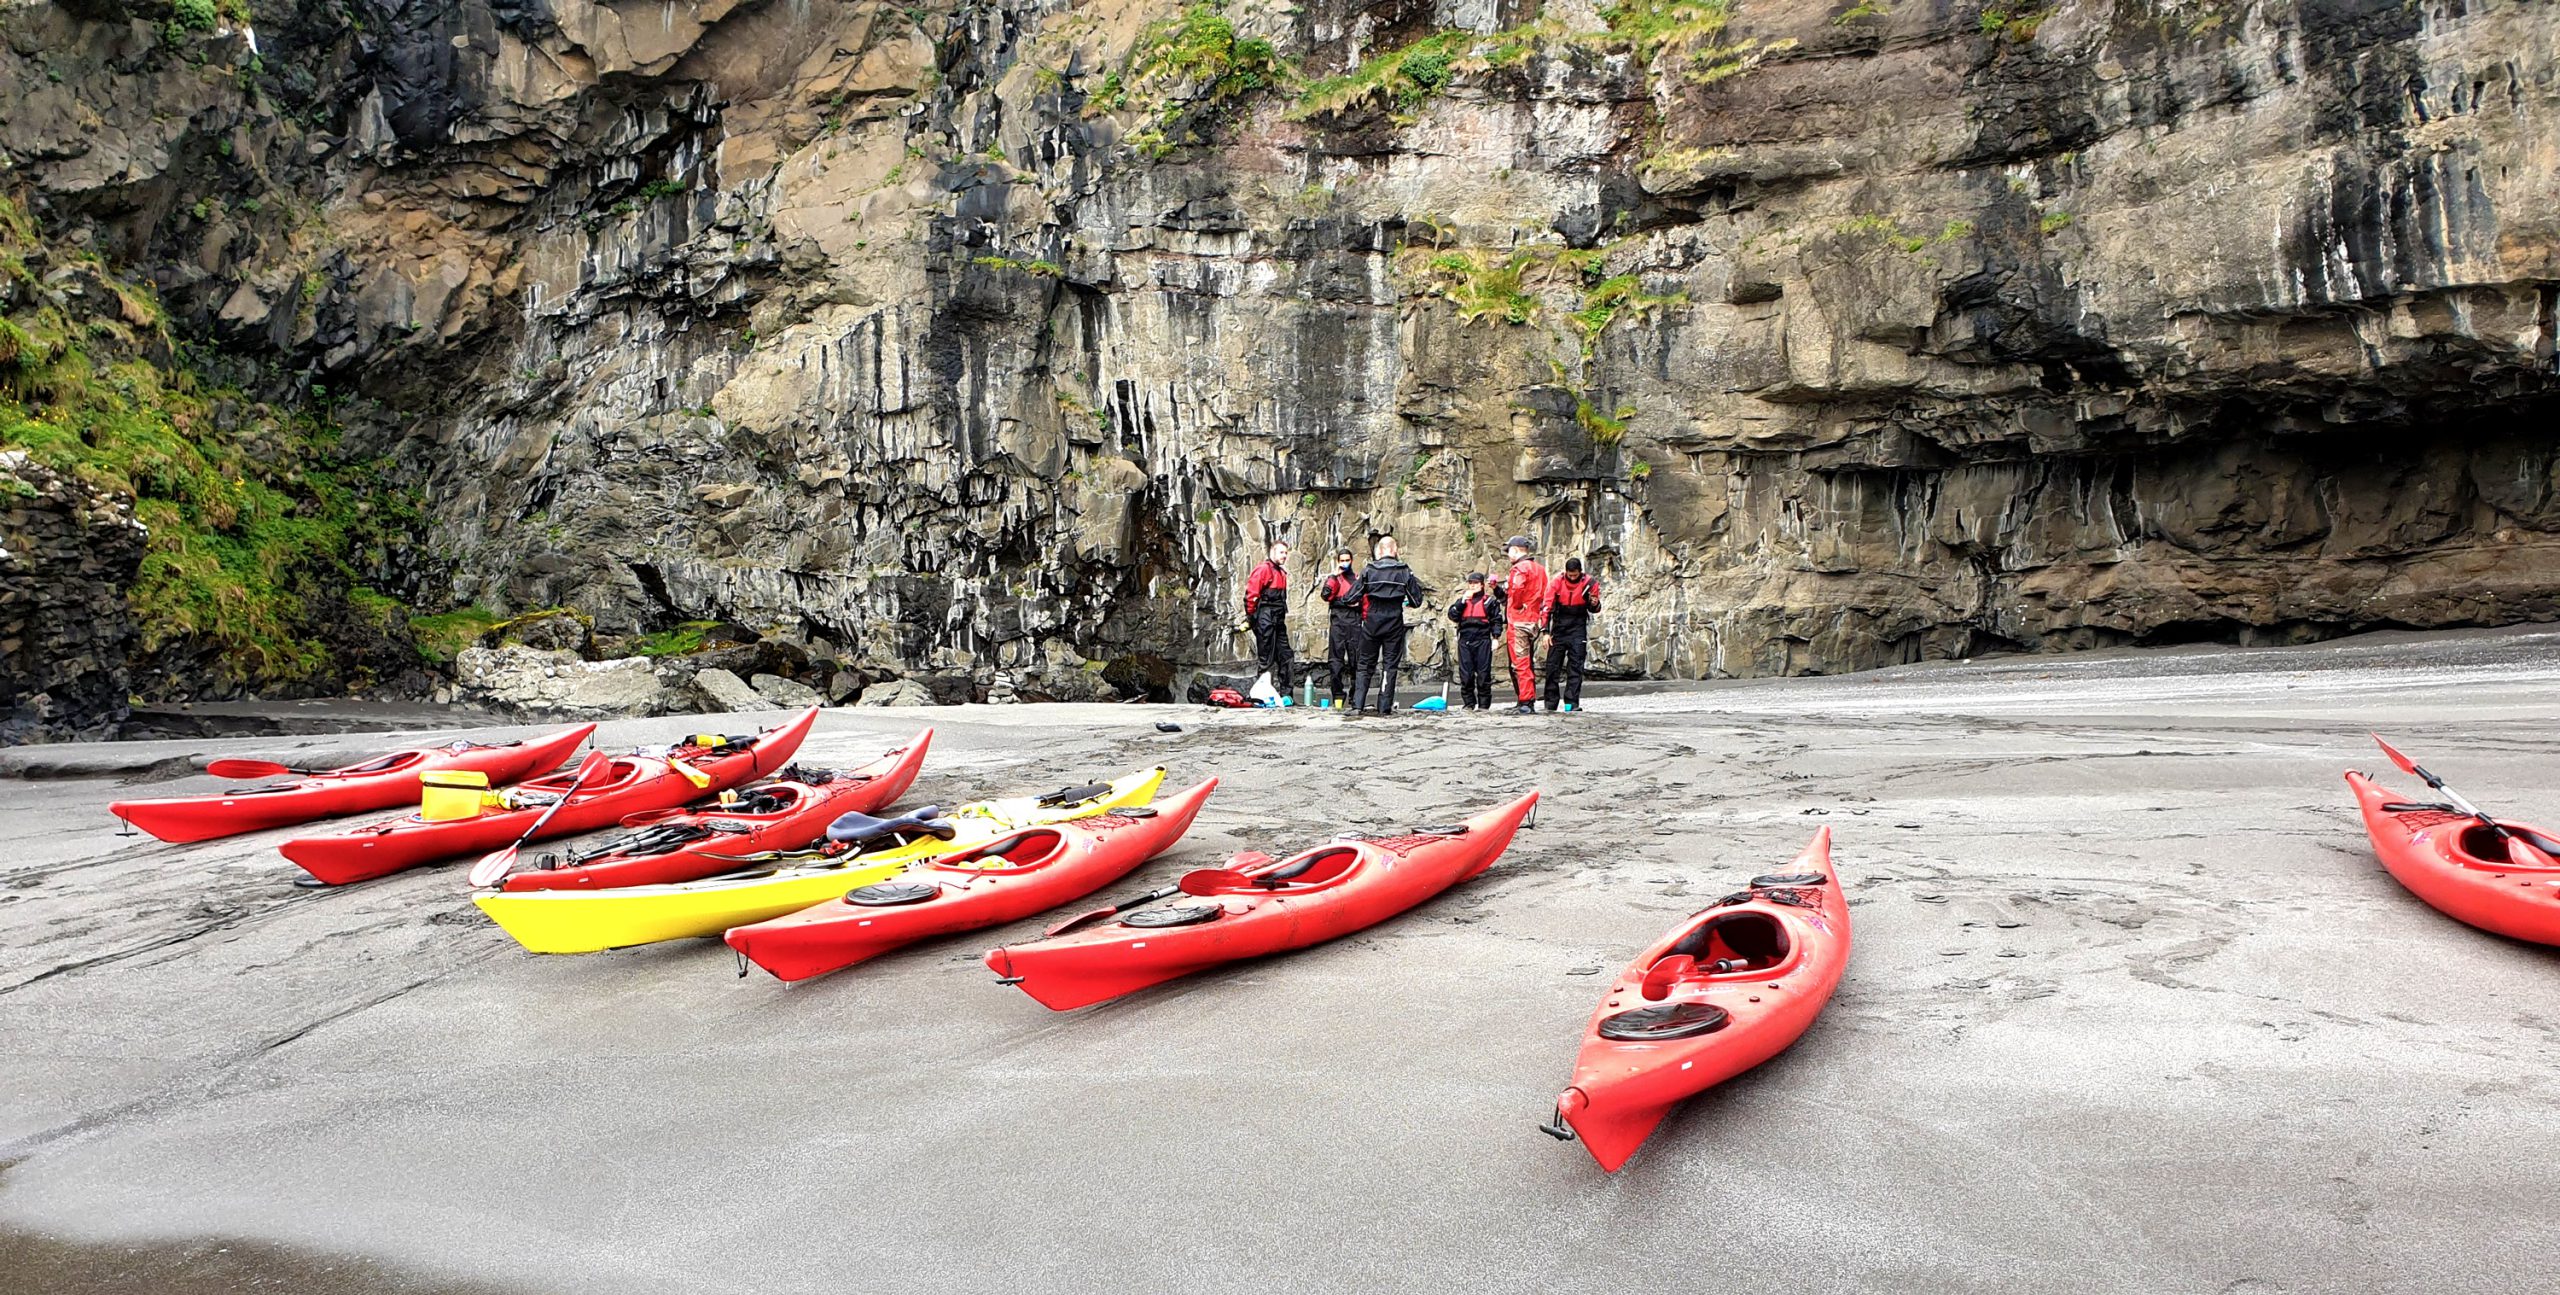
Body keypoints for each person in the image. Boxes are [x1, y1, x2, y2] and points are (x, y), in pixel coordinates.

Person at [1351, 536, 1425, 716]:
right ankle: (1384, 707)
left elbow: (1350, 596)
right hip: (1393, 620)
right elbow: (1416, 601)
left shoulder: (1369, 569)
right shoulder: (1404, 571)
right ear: (1394, 550)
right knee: (1390, 665)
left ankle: (1357, 705)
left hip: (1372, 620)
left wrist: (1356, 601)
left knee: (1365, 664)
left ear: (1380, 550)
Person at [1542, 557, 1599, 714]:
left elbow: (1595, 608)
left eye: (1575, 575)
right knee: (1552, 667)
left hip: (1578, 626)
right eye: (1570, 575)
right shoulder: (1556, 583)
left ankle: (1571, 703)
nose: (1572, 577)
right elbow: (1547, 608)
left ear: (1580, 573)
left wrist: (1593, 602)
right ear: (1565, 572)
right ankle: (1550, 704)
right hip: (1559, 627)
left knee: (1576, 666)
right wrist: (1545, 632)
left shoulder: (1590, 583)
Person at [1501, 535, 1548, 716]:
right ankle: (1524, 699)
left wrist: (1518, 604)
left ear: (1515, 550)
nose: (1508, 555)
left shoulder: (1519, 569)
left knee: (1520, 663)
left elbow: (1518, 588)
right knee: (1526, 661)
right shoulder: (1540, 569)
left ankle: (1526, 701)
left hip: (1519, 620)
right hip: (1534, 620)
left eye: (1509, 551)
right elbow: (1545, 594)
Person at [1242, 539, 1293, 696]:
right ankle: (1262, 695)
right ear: (1273, 552)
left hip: (1278, 618)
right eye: (1281, 552)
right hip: (1265, 617)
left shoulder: (1281, 572)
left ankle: (1287, 696)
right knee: (1266, 657)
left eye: (1286, 553)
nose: (1284, 556)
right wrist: (1251, 618)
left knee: (1286, 656)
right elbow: (1251, 594)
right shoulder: (1263, 569)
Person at [1315, 547, 1363, 707]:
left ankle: (1355, 698)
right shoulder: (1334, 579)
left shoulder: (1357, 579)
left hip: (1355, 624)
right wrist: (1333, 576)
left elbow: (1363, 602)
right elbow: (1326, 596)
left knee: (1356, 663)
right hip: (1338, 624)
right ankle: (1337, 696)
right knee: (1335, 663)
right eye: (1341, 560)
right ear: (1337, 562)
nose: (1344, 563)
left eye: (1347, 560)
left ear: (1352, 561)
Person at [1446, 572, 1500, 711]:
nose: (1473, 586)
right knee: (1466, 675)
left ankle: (1483, 705)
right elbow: (1452, 615)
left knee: (1483, 674)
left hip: (1482, 640)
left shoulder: (1490, 601)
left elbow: (1496, 621)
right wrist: (1463, 601)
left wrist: (1495, 638)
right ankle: (1469, 703)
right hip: (1465, 640)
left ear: (1482, 585)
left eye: (1475, 583)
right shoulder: (1462, 601)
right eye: (1470, 583)